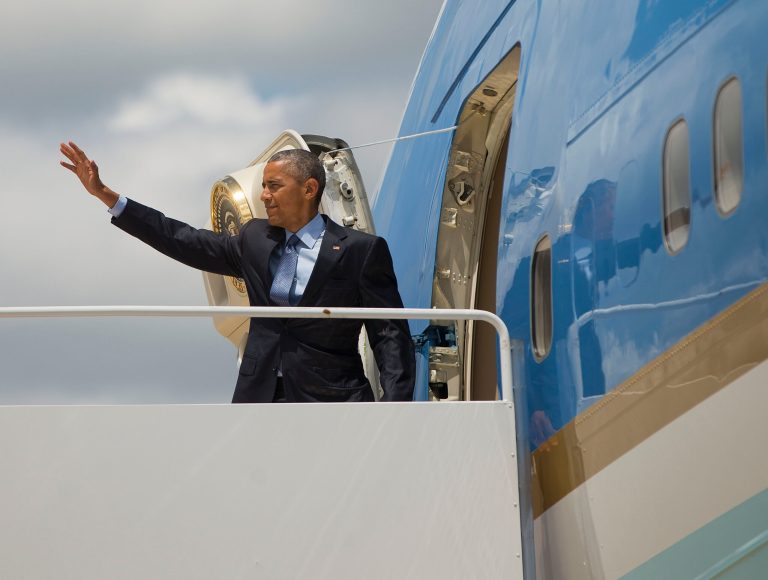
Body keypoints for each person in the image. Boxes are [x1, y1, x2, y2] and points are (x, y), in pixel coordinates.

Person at [60, 141, 415, 403]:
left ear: (309, 189)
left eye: (273, 186)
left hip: (335, 400)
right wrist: (107, 196)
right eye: (263, 186)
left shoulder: (360, 250)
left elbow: (389, 336)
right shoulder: (254, 239)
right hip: (258, 399)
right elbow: (182, 239)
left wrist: (394, 411)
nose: (263, 196)